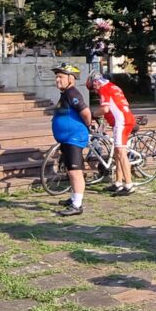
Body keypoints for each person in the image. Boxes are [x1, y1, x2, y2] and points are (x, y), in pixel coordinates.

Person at [51, 63, 93, 216]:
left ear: (70, 78)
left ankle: (77, 205)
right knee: (70, 170)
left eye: (60, 76)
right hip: (67, 139)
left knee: (75, 172)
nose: (57, 79)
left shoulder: (72, 93)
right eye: (56, 77)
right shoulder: (65, 94)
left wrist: (88, 125)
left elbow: (86, 112)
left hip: (74, 138)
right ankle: (74, 198)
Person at [86, 72, 137, 196]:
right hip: (123, 119)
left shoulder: (103, 89)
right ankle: (118, 183)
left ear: (96, 82)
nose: (94, 91)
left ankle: (129, 185)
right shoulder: (113, 86)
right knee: (117, 153)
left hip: (121, 122)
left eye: (93, 88)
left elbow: (105, 109)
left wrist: (92, 114)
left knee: (121, 153)